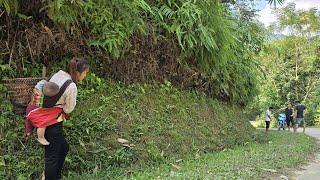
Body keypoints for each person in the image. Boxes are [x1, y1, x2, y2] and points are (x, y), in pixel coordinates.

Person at [35, 57, 89, 180]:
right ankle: (50, 177)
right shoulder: (72, 86)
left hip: (43, 116)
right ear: (78, 72)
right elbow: (68, 109)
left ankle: (53, 175)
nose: (85, 76)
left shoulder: (59, 74)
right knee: (52, 157)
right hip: (53, 121)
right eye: (85, 73)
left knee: (63, 148)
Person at [25, 80, 62, 145]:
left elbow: (42, 82)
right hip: (34, 110)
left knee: (28, 120)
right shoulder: (42, 98)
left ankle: (28, 131)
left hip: (30, 107)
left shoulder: (42, 84)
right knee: (43, 123)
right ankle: (40, 137)